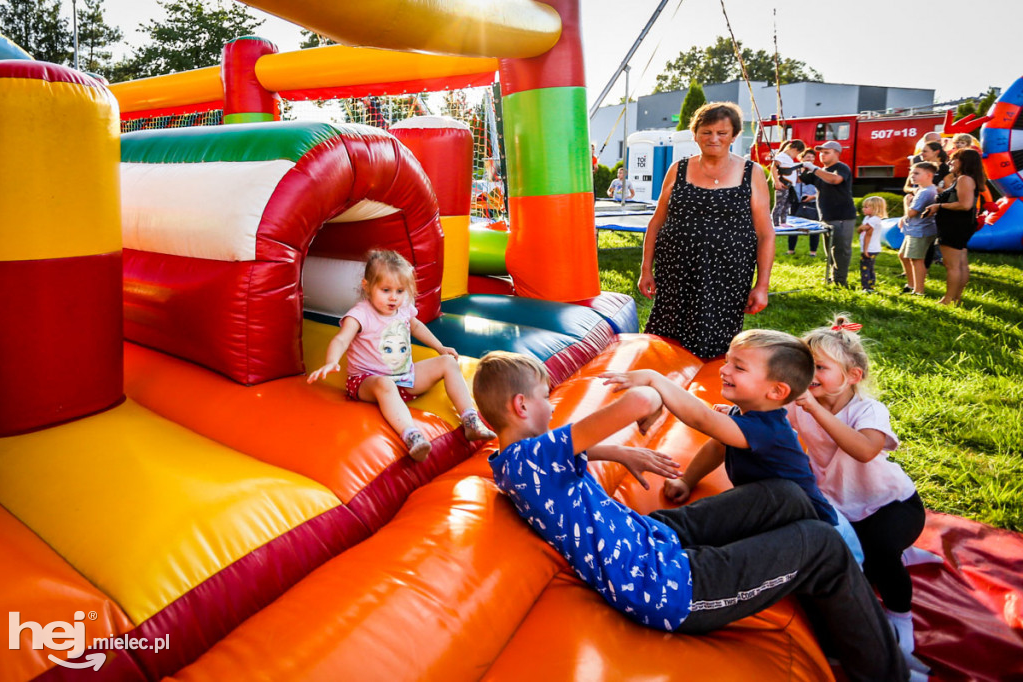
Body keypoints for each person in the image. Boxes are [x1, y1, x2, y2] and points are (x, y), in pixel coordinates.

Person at [474, 350, 907, 682]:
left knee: (784, 494)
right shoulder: (534, 457)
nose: (552, 406)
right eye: (545, 397)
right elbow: (641, 398)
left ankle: (839, 602)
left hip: (650, 536)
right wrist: (650, 396)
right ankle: (886, 670)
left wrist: (616, 451)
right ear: (521, 406)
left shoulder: (515, 461)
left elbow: (560, 455)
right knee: (821, 544)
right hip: (666, 586)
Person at [634, 330, 862, 560]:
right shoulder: (745, 415)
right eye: (726, 362)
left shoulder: (768, 430)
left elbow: (701, 419)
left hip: (823, 537)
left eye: (738, 367)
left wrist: (656, 380)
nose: (723, 370)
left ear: (776, 390)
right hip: (781, 518)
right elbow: (717, 447)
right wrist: (686, 480)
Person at [786, 316, 928, 674]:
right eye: (805, 364)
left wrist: (815, 409)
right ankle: (859, 626)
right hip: (842, 506)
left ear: (852, 377)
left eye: (819, 367)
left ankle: (901, 616)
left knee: (880, 553)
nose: (809, 373)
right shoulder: (799, 405)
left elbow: (864, 450)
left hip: (892, 505)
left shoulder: (868, 410)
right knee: (849, 568)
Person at [308, 249, 495, 461]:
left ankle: (470, 419)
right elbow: (342, 338)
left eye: (400, 291)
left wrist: (440, 347)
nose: (394, 298)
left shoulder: (404, 308)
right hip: (367, 382)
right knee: (384, 384)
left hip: (405, 377)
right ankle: (412, 436)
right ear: (367, 287)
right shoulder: (360, 314)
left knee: (447, 363)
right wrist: (331, 361)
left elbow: (416, 327)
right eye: (386, 290)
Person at [638, 102, 773, 360]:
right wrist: (646, 270)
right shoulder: (677, 169)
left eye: (722, 133)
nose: (714, 139)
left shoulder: (752, 173)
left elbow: (765, 233)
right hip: (676, 273)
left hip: (728, 276)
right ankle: (661, 387)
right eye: (706, 132)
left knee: (716, 343)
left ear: (734, 136)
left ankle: (707, 393)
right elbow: (656, 222)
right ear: (695, 134)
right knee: (667, 339)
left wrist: (762, 285)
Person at [923, 148, 986, 305]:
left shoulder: (965, 179)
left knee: (952, 266)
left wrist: (939, 206)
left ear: (964, 162)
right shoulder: (968, 179)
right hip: (961, 225)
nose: (950, 162)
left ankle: (948, 299)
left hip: (954, 226)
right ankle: (956, 298)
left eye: (954, 159)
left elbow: (965, 205)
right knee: (960, 264)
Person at [800, 141, 857, 287]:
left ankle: (840, 283)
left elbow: (834, 179)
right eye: (821, 152)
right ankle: (833, 278)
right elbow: (797, 179)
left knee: (841, 251)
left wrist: (813, 168)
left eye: (826, 152)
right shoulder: (818, 172)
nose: (822, 155)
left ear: (837, 153)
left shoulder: (841, 168)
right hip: (826, 216)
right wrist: (782, 165)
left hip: (842, 216)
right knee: (830, 251)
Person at [897, 163, 939, 296]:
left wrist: (906, 203)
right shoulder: (925, 189)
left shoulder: (925, 192)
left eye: (916, 173)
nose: (912, 176)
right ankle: (911, 284)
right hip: (915, 229)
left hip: (920, 230)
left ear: (929, 175)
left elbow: (912, 212)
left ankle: (919, 290)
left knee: (916, 259)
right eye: (912, 173)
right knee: (903, 255)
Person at [787, 149, 821, 256]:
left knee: (814, 227)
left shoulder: (818, 171)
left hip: (812, 202)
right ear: (801, 158)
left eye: (812, 157)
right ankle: (791, 250)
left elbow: (824, 189)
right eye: (807, 157)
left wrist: (812, 197)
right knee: (793, 226)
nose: (810, 159)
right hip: (796, 202)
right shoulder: (794, 171)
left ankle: (813, 252)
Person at [770, 139, 807, 227]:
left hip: (789, 185)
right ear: (794, 149)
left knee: (787, 204)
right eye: (797, 153)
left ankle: (783, 222)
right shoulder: (782, 156)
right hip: (783, 183)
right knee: (780, 204)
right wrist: (776, 181)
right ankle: (775, 223)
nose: (796, 156)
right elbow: (773, 168)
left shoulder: (788, 158)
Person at [858, 196, 887, 293]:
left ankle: (867, 287)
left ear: (875, 208)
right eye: (864, 207)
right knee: (869, 267)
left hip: (870, 248)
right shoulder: (867, 218)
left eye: (866, 207)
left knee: (865, 268)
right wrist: (862, 228)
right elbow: (860, 230)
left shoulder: (874, 219)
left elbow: (868, 234)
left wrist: (865, 249)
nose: (863, 209)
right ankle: (870, 286)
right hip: (868, 248)